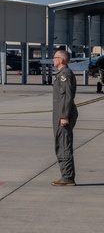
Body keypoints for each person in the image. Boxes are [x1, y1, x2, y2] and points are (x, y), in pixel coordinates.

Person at [51, 48, 78, 186]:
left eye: (55, 57)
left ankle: (67, 177)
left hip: (63, 114)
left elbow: (67, 97)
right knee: (60, 143)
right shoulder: (61, 74)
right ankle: (65, 175)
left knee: (63, 143)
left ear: (61, 60)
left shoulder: (65, 75)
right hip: (60, 113)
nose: (53, 59)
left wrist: (64, 116)